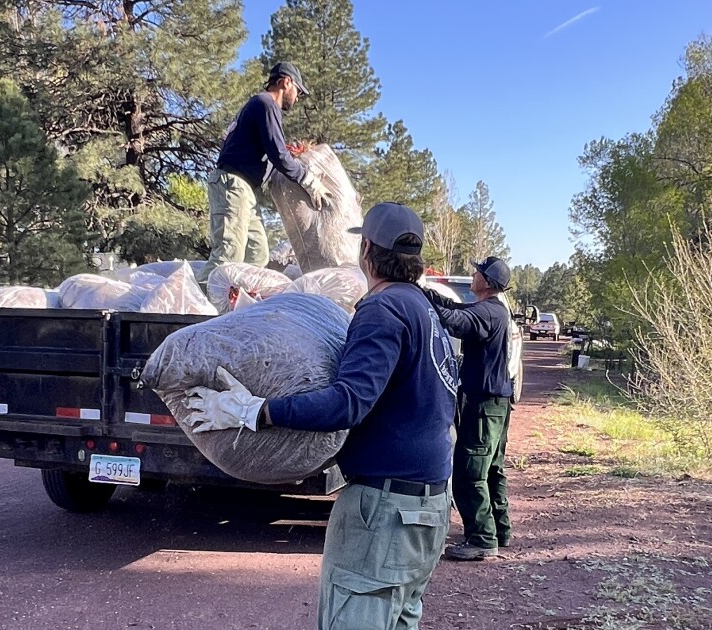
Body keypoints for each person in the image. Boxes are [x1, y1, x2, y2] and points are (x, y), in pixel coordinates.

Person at [183, 202, 458, 630]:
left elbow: (348, 402)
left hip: (384, 512)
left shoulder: (382, 310)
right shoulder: (426, 311)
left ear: (366, 249)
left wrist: (256, 410)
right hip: (428, 508)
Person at [200, 61, 333, 281]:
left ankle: (240, 303)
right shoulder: (265, 103)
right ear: (286, 82)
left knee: (258, 252)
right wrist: (308, 180)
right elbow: (278, 154)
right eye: (297, 91)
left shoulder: (261, 106)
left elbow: (274, 154)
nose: (297, 97)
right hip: (232, 183)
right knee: (227, 254)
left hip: (243, 189)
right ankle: (196, 308)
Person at [422, 256, 515, 561]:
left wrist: (428, 307)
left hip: (483, 406)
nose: (473, 275)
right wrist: (427, 292)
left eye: (477, 272)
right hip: (495, 404)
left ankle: (482, 538)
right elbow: (460, 311)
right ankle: (500, 530)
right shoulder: (495, 309)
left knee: (469, 472)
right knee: (491, 470)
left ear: (486, 282)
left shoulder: (487, 313)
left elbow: (456, 321)